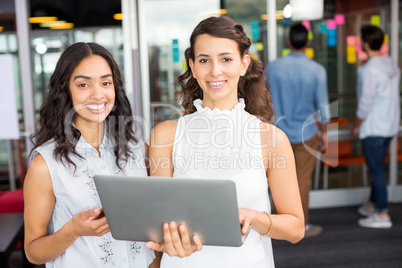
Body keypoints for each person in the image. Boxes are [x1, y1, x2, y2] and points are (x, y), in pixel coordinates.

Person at [148, 16, 304, 267]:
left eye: (226, 59)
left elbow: (296, 228)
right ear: (193, 66)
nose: (215, 71)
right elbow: (157, 222)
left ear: (244, 64)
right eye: (204, 60)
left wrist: (254, 218)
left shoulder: (270, 139)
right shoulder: (165, 135)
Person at [23, 42, 193, 267]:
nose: (97, 94)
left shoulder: (138, 149)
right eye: (83, 84)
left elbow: (159, 219)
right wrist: (72, 231)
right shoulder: (45, 164)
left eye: (105, 83)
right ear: (65, 90)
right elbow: (33, 252)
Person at [266, 23, 330, 238]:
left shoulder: (273, 68)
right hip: (307, 134)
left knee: (276, 178)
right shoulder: (317, 70)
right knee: (301, 180)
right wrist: (326, 134)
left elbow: (264, 100)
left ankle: (275, 225)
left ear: (288, 41)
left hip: (277, 134)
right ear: (308, 42)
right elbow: (323, 107)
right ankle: (300, 226)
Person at [352, 25, 400, 229]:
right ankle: (373, 204)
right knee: (378, 168)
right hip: (389, 126)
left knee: (377, 171)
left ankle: (382, 215)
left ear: (364, 43)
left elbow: (365, 103)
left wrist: (356, 125)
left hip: (373, 128)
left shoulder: (370, 70)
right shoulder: (390, 64)